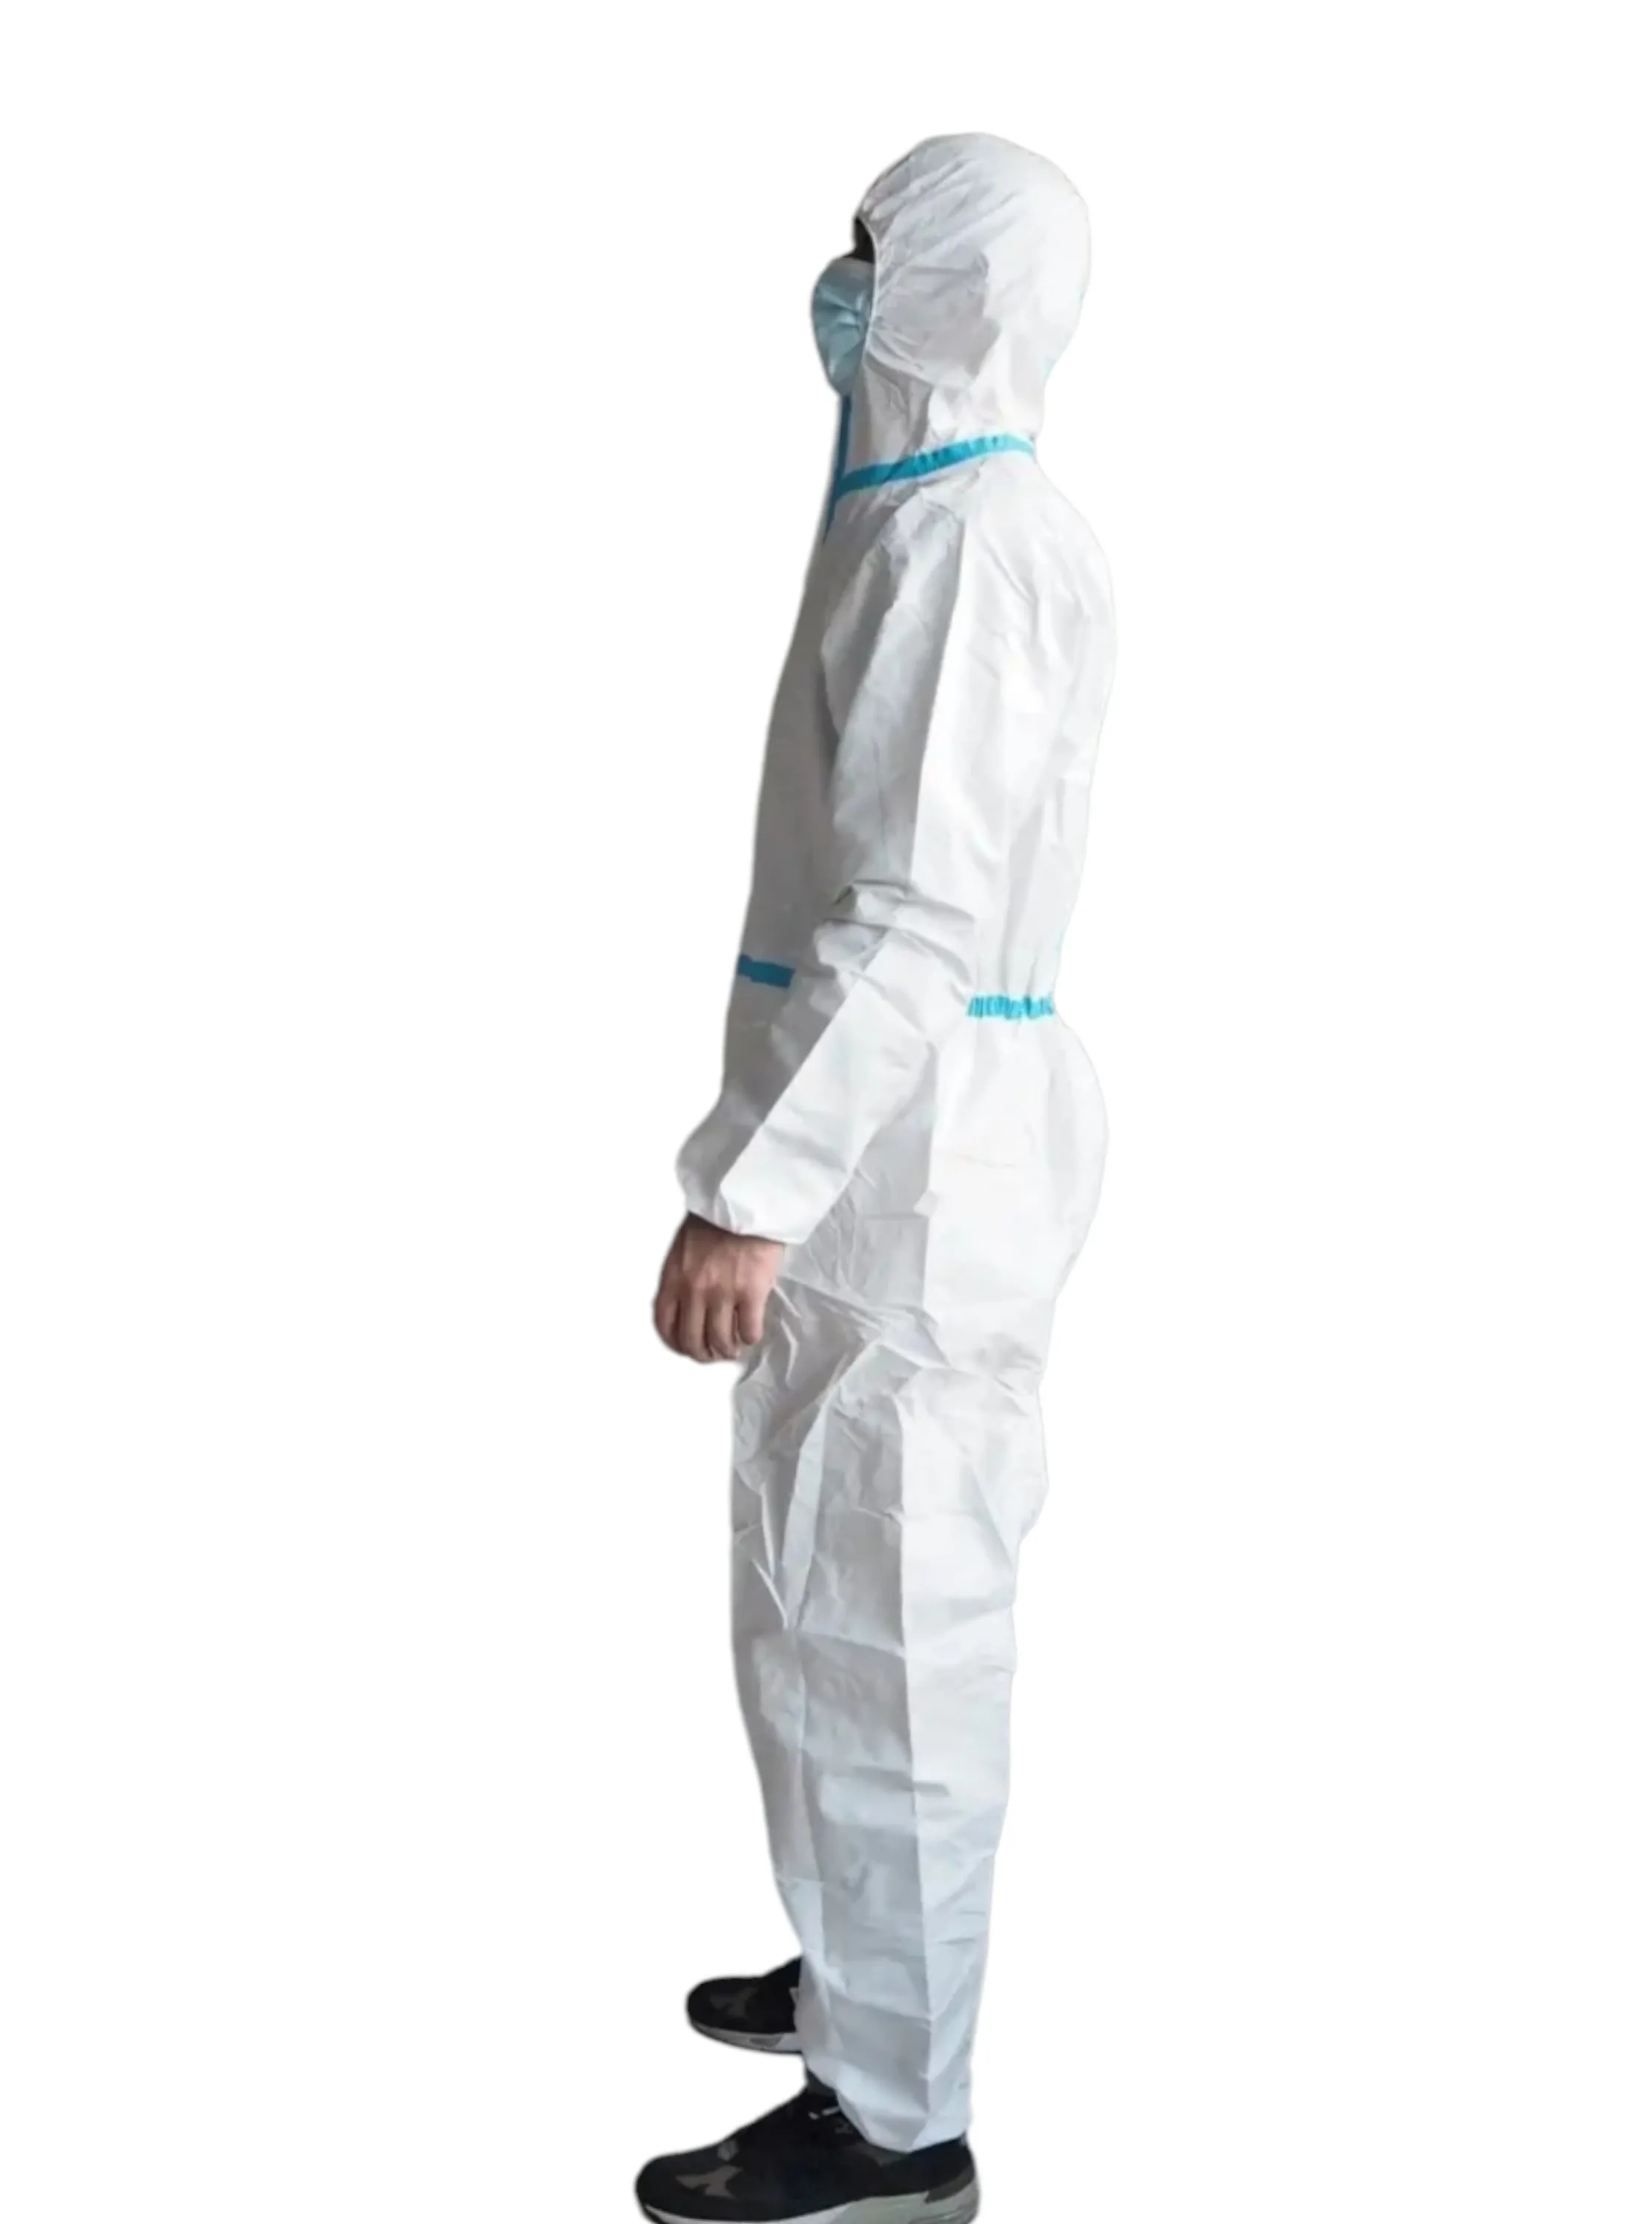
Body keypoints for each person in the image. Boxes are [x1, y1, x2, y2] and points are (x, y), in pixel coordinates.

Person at [641, 133, 1115, 2224]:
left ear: (945, 281)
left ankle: (901, 2125)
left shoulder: (965, 544)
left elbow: (915, 920)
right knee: (820, 1574)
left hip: (913, 1157)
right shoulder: (915, 520)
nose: (839, 281)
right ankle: (858, 1960)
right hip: (895, 1141)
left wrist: (753, 1188)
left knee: (900, 1615)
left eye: (870, 246)